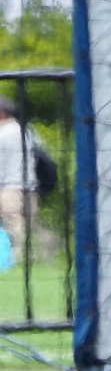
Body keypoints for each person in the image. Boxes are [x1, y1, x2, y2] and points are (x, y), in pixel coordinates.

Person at [0, 96, 39, 265]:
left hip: (10, 187)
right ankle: (29, 257)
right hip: (30, 187)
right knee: (26, 227)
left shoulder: (2, 134)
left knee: (14, 227)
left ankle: (21, 261)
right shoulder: (27, 131)